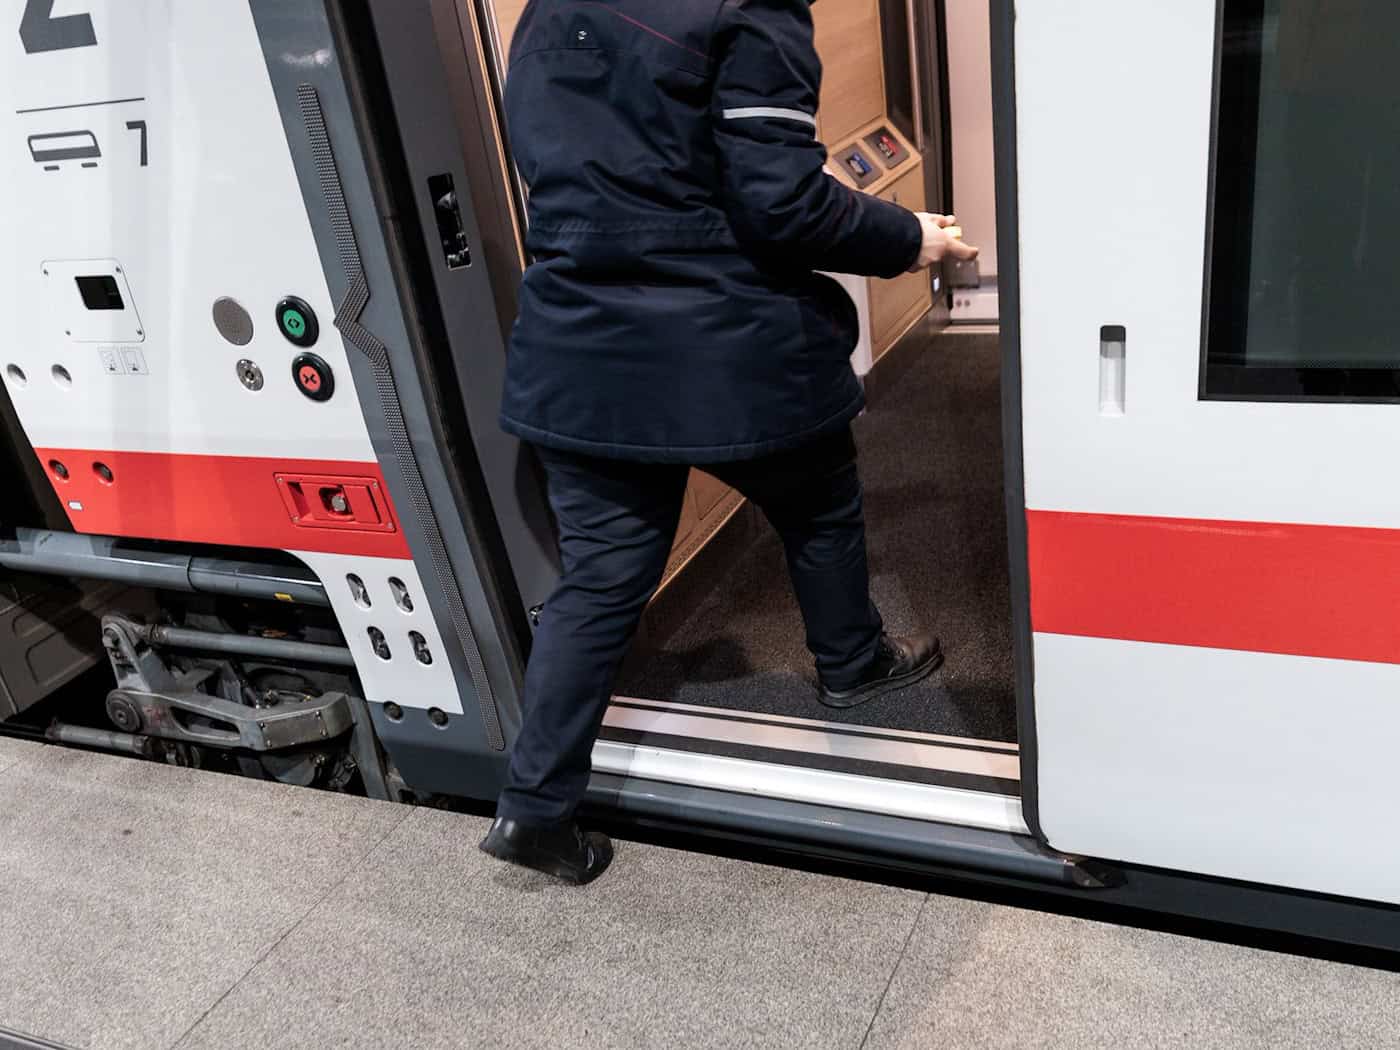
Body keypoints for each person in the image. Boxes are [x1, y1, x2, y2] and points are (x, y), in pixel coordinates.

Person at [479, 0, 979, 884]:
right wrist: (910, 238)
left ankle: (532, 808)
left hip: (579, 346)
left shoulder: (546, 11)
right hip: (725, 347)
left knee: (600, 575)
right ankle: (853, 664)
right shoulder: (750, 8)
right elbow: (782, 203)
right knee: (820, 502)